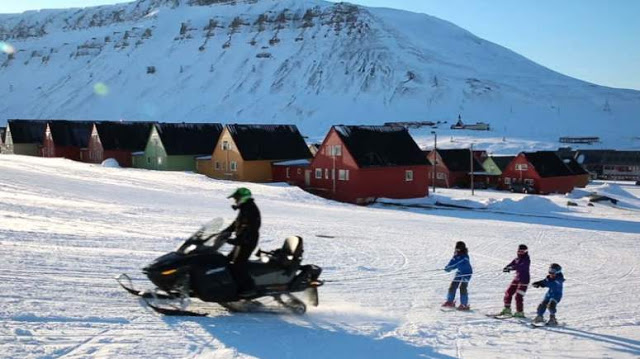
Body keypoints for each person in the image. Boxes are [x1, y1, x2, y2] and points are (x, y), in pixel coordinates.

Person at [222, 187, 261, 298]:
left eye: (236, 198)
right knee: (227, 261)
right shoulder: (244, 208)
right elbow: (236, 223)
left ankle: (249, 289)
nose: (235, 201)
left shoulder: (250, 209)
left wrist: (239, 240)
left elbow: (252, 228)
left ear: (243, 198)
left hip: (248, 241)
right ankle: (230, 285)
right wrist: (224, 232)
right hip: (241, 241)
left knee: (239, 264)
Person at [499, 244, 531, 318]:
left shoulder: (526, 260)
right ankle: (507, 309)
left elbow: (521, 266)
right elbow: (511, 264)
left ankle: (520, 312)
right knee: (508, 292)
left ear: (526, 252)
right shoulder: (517, 259)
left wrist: (511, 268)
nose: (520, 253)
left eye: (522, 251)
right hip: (517, 279)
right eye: (519, 251)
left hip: (524, 280)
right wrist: (506, 268)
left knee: (518, 296)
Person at [442, 241, 473, 310]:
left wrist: (450, 268)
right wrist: (448, 266)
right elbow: (453, 261)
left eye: (459, 248)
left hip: (467, 273)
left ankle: (464, 305)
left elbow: (457, 263)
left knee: (462, 287)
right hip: (460, 272)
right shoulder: (456, 255)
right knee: (453, 286)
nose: (457, 250)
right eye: (456, 248)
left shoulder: (464, 256)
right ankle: (450, 301)